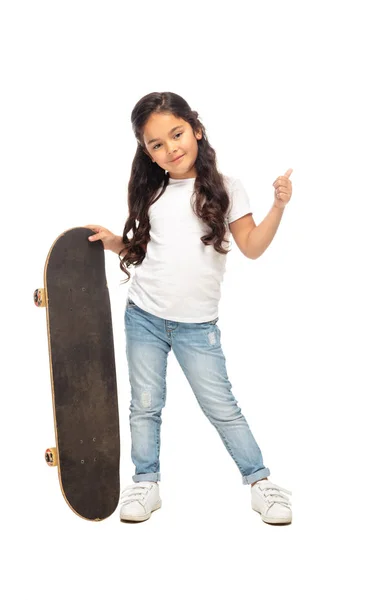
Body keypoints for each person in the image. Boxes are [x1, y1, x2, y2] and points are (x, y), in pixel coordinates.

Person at [86, 91, 293, 526]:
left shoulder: (225, 189)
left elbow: (252, 247)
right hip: (144, 316)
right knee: (145, 404)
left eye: (176, 134)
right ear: (147, 152)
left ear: (196, 129)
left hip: (197, 328)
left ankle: (260, 482)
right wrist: (113, 243)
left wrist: (278, 206)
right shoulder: (153, 189)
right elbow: (146, 253)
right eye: (156, 144)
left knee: (221, 407)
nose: (170, 148)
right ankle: (146, 482)